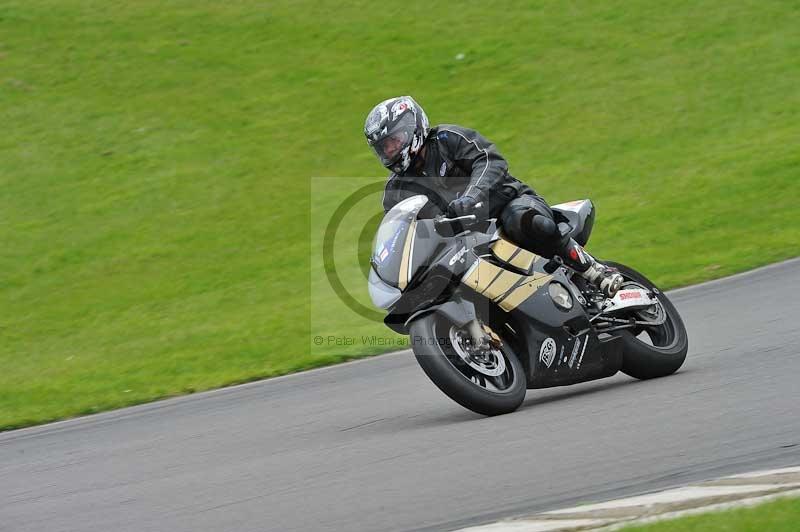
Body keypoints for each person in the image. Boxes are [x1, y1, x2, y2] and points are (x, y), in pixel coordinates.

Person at [364, 96, 622, 297]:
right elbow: (402, 232)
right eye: (383, 147)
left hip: (507, 205)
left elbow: (490, 161)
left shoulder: (446, 139)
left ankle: (593, 270)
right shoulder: (395, 191)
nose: (390, 150)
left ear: (412, 127)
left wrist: (472, 196)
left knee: (521, 219)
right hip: (466, 243)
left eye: (393, 141)